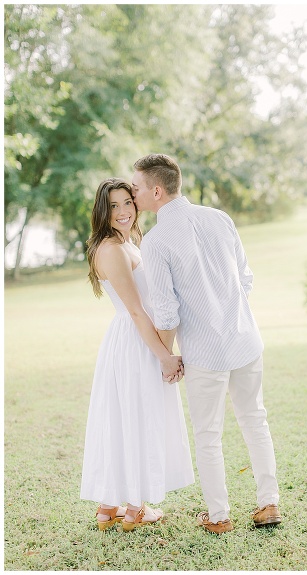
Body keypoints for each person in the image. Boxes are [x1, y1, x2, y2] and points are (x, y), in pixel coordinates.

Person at [131, 153, 281, 535]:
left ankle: (219, 516)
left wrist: (166, 356)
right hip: (246, 339)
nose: (133, 193)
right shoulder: (218, 218)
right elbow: (246, 279)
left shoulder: (157, 241)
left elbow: (166, 312)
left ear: (158, 191)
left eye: (137, 187)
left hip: (205, 353)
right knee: (255, 420)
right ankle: (269, 503)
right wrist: (228, 313)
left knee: (209, 434)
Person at [80, 177, 194, 531]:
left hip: (135, 338)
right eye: (113, 206)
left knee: (127, 417)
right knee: (134, 416)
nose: (123, 211)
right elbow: (136, 311)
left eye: (127, 202)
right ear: (103, 211)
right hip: (134, 342)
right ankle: (134, 509)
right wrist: (164, 355)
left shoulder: (128, 243)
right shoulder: (112, 250)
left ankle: (108, 507)